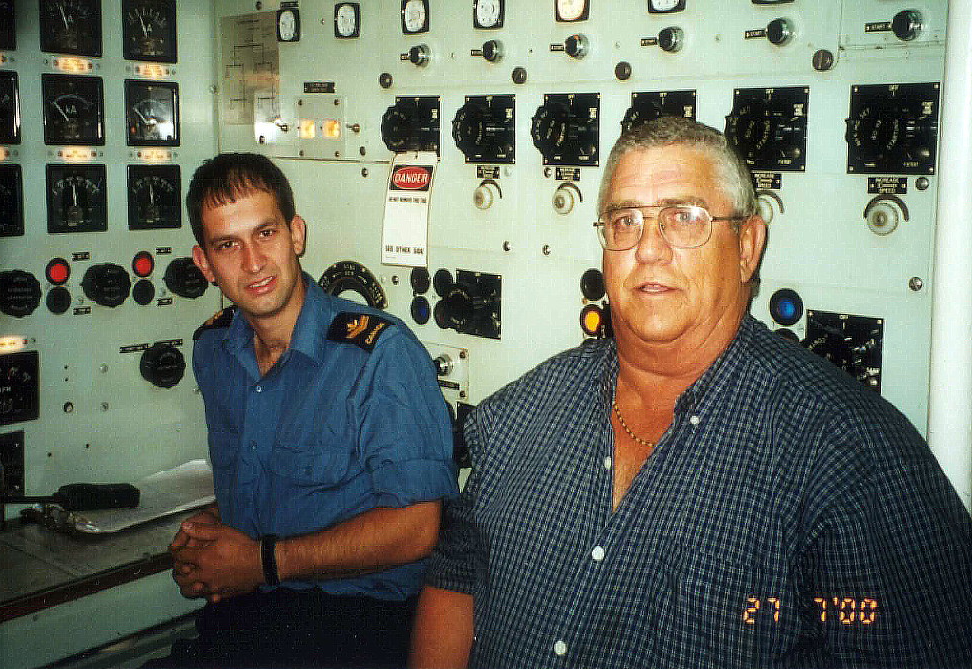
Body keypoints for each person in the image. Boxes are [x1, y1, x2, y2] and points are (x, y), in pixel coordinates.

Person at [410, 117, 972, 668]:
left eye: (684, 218)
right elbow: (457, 579)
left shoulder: (851, 456)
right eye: (626, 221)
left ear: (748, 245)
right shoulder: (518, 415)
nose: (649, 249)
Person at [147, 153, 456, 669]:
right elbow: (273, 488)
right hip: (250, 614)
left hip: (357, 626)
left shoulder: (380, 355)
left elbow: (418, 527)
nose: (253, 262)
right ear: (204, 265)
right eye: (228, 245)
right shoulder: (213, 352)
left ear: (296, 235)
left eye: (265, 234)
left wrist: (260, 563)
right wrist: (210, 542)